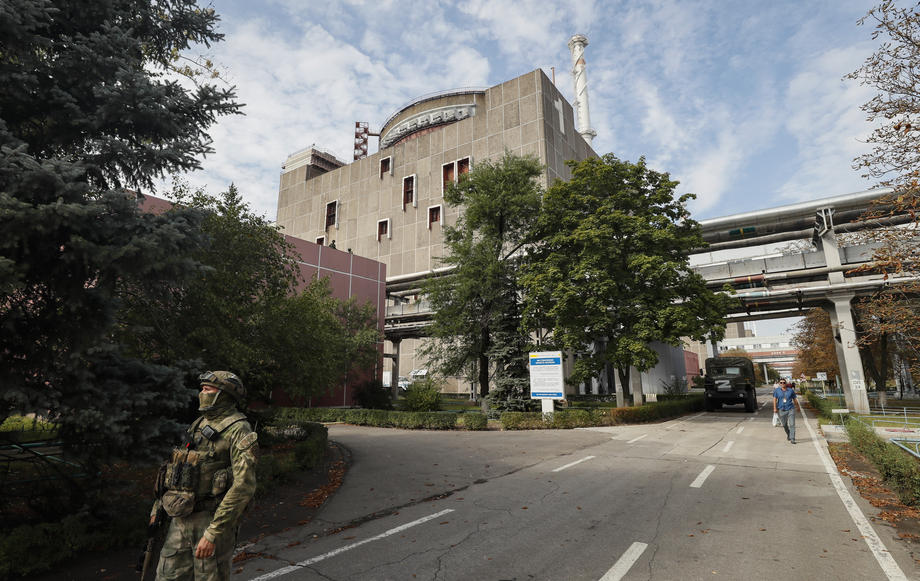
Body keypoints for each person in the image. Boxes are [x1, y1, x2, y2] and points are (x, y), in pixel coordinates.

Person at [150, 371, 258, 580]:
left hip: (211, 521)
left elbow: (244, 486)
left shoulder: (239, 430)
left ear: (224, 395)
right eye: (202, 389)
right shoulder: (199, 424)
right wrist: (158, 507)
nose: (202, 393)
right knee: (167, 575)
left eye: (207, 389)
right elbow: (176, 467)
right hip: (181, 518)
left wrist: (213, 533)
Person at [773, 379, 798, 444]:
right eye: (781, 383)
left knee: (792, 424)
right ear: (779, 383)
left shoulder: (790, 390)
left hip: (790, 409)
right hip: (781, 409)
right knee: (784, 424)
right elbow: (774, 400)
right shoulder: (777, 391)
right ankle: (789, 434)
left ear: (786, 383)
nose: (782, 384)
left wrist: (798, 407)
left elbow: (794, 399)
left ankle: (792, 438)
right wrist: (775, 408)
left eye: (784, 382)